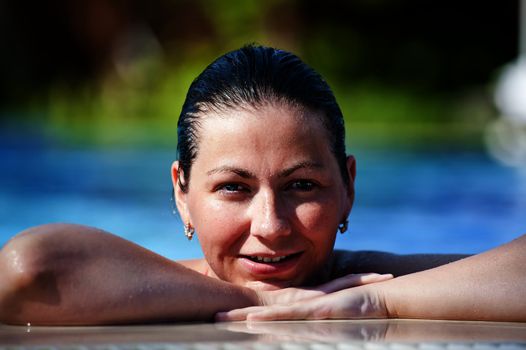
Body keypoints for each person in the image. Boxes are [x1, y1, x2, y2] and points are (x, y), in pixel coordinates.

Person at [0, 45, 524, 325]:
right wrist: (262, 300)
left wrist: (374, 304)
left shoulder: (368, 283)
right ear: (182, 194)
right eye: (233, 188)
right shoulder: (158, 283)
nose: (271, 227)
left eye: (301, 186)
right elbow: (32, 269)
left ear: (348, 186)